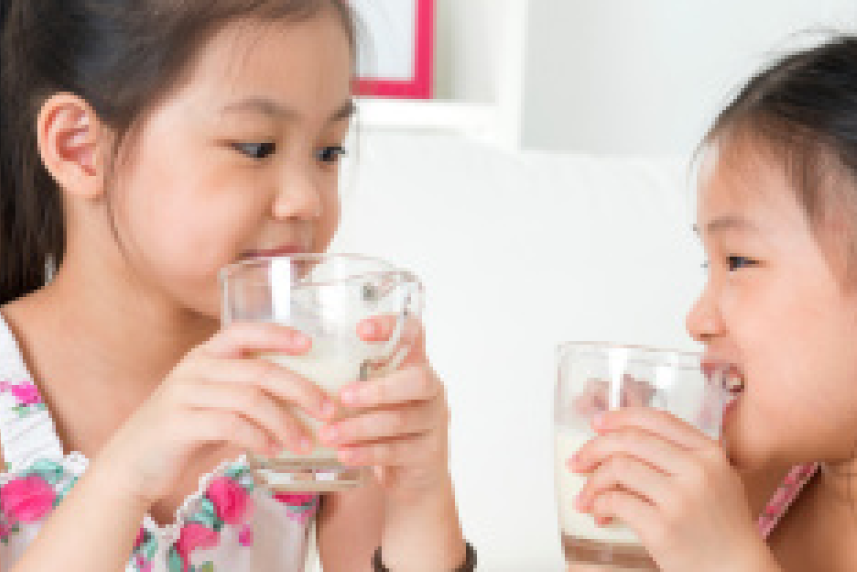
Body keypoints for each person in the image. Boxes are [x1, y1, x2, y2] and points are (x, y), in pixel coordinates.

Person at [0, 1, 472, 571]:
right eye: (256, 148)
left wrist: (419, 497)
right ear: (80, 147)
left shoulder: (320, 386)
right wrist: (126, 476)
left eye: (328, 152)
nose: (306, 199)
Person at [567, 35, 857, 571]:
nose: (697, 320)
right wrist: (630, 532)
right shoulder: (756, 489)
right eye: (710, 265)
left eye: (740, 262)